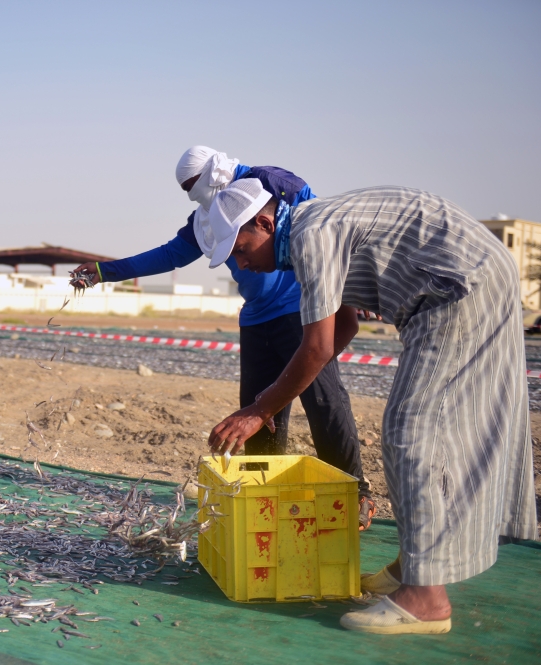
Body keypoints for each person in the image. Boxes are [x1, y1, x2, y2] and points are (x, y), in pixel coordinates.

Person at [205, 180, 537, 634]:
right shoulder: (308, 234)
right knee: (422, 427)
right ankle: (412, 566)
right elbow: (345, 327)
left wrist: (259, 409)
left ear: (264, 222)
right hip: (461, 282)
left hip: (459, 289)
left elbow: (318, 347)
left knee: (412, 431)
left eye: (241, 250)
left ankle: (426, 599)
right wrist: (291, 383)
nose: (241, 265)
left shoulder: (311, 236)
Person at [72, 146, 375, 527]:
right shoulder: (208, 219)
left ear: (212, 173)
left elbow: (322, 225)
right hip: (256, 318)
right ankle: (266, 497)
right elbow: (168, 256)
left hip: (300, 308)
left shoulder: (271, 183)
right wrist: (106, 271)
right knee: (258, 411)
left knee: (323, 400)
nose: (191, 195)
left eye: (191, 186)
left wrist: (350, 287)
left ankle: (355, 492)